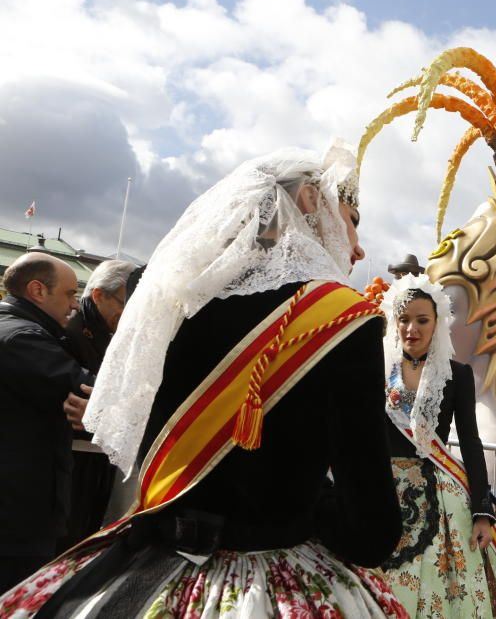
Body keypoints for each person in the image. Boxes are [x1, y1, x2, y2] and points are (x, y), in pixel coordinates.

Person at [0, 145, 407, 618]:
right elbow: (372, 532)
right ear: (314, 202)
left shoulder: (177, 304)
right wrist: (309, 503)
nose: (357, 245)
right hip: (272, 580)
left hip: (150, 567)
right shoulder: (344, 321)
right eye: (352, 219)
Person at [377, 274, 496, 618]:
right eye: (404, 319)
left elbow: (470, 441)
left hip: (438, 495)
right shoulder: (377, 370)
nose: (412, 329)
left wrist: (483, 510)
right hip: (381, 492)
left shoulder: (457, 374)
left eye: (422, 320)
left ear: (437, 322)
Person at [0, 253, 95, 594]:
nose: (74, 305)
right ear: (38, 290)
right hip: (17, 518)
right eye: (70, 294)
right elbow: (86, 388)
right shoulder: (22, 339)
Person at [59, 259, 137, 550]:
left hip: (99, 460)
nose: (130, 313)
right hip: (73, 464)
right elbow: (81, 393)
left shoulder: (109, 332)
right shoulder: (70, 333)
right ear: (99, 295)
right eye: (124, 303)